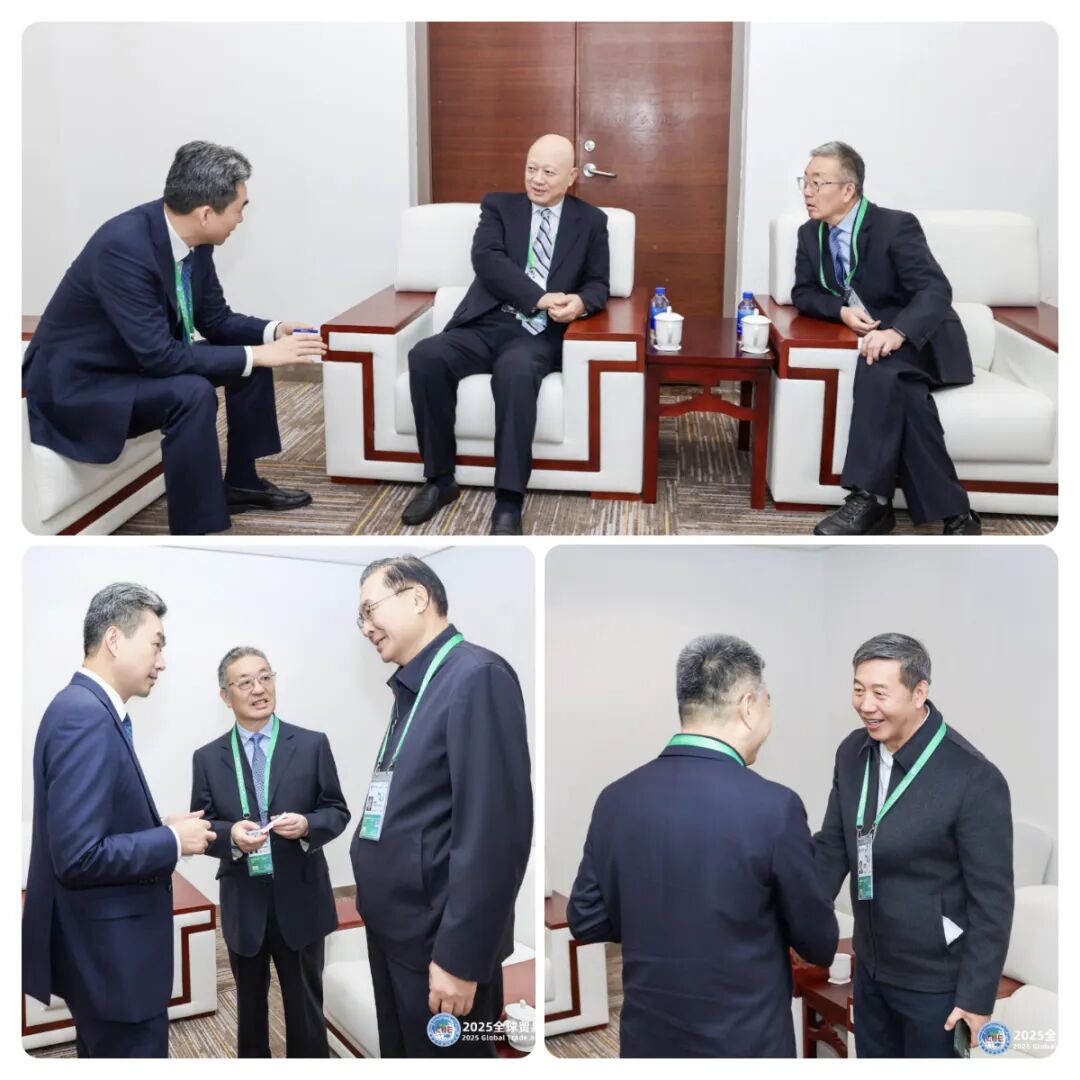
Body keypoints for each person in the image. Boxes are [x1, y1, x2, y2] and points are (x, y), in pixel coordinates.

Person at [22, 140, 327, 535]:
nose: (240, 219)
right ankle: (198, 528)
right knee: (192, 391)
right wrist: (259, 353)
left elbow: (215, 319)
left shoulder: (194, 241)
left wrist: (274, 332)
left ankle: (242, 483)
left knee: (248, 361)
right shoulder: (123, 246)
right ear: (206, 213)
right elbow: (161, 357)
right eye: (239, 209)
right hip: (81, 385)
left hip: (133, 361)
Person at [567, 634, 838, 1057]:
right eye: (768, 702)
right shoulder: (774, 807)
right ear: (749, 706)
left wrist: (653, 922)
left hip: (648, 1041)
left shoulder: (616, 797)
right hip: (743, 1044)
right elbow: (818, 942)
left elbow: (585, 919)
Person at [22, 583, 214, 1057]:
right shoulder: (85, 716)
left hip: (103, 957)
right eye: (156, 644)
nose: (162, 662)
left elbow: (92, 827)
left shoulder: (84, 707)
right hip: (113, 962)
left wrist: (159, 826)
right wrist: (172, 841)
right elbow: (78, 856)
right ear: (114, 638)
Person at [350, 555, 532, 1056]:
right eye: (359, 618)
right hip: (396, 932)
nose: (365, 628)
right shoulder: (415, 686)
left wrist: (460, 959)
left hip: (438, 946)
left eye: (370, 610)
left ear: (416, 598)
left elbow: (495, 834)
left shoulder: (477, 676)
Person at [814, 633, 1014, 1058]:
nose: (865, 705)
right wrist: (797, 913)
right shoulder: (852, 753)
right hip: (870, 969)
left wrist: (976, 998)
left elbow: (992, 900)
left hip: (935, 984)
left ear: (919, 692)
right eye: (858, 689)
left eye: (880, 693)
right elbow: (833, 846)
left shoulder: (973, 777)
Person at [404, 133, 611, 535]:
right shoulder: (499, 206)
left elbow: (598, 283)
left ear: (571, 176)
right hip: (486, 323)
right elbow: (487, 260)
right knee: (426, 356)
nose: (537, 179)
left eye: (548, 172)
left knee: (515, 373)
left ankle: (509, 499)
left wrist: (579, 303)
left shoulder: (591, 221)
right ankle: (440, 480)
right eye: (531, 169)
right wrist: (539, 296)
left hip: (537, 335)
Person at [792, 141, 981, 537]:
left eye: (817, 182)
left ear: (848, 190)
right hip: (880, 345)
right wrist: (841, 311)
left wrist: (897, 332)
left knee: (878, 367)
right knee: (902, 392)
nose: (807, 191)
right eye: (804, 182)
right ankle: (957, 515)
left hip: (923, 341)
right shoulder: (810, 234)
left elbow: (934, 290)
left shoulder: (895, 226)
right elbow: (804, 292)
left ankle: (869, 499)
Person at [190, 647, 350, 1057]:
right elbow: (204, 827)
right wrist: (231, 836)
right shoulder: (207, 758)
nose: (259, 689)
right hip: (245, 902)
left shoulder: (311, 744)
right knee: (250, 1014)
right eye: (245, 682)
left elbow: (337, 810)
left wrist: (308, 825)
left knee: (306, 1013)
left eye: (265, 677)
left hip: (302, 898)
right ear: (226, 696)